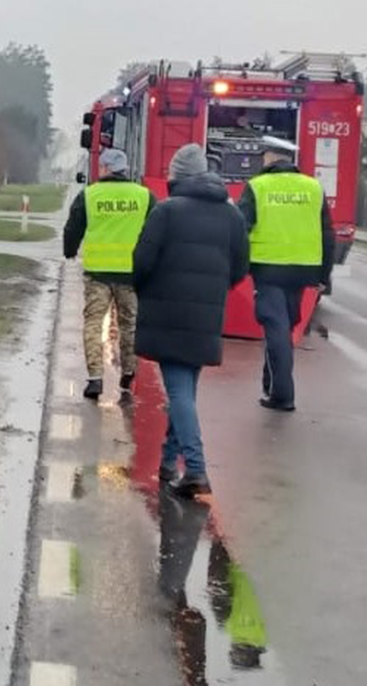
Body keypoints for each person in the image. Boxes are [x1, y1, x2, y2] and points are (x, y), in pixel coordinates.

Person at [133, 144, 249, 497]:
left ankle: (196, 468)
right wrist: (214, 290)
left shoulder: (166, 211)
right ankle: (168, 462)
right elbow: (241, 267)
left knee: (180, 392)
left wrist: (149, 290)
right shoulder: (231, 216)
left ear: (177, 176)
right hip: (206, 315)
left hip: (169, 314)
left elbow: (142, 262)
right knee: (184, 390)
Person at [237, 136, 334, 412]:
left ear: (269, 157)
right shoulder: (313, 188)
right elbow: (328, 235)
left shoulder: (257, 186)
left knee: (276, 329)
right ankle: (271, 384)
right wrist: (324, 275)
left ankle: (283, 394)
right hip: (303, 271)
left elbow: (241, 228)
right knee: (283, 327)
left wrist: (238, 265)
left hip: (268, 269)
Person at [63, 148, 157, 401]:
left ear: (104, 169)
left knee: (93, 323)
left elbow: (73, 226)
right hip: (131, 274)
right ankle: (128, 372)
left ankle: (95, 378)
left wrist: (69, 251)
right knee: (130, 324)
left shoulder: (90, 195)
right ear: (125, 170)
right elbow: (156, 231)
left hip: (98, 274)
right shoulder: (144, 196)